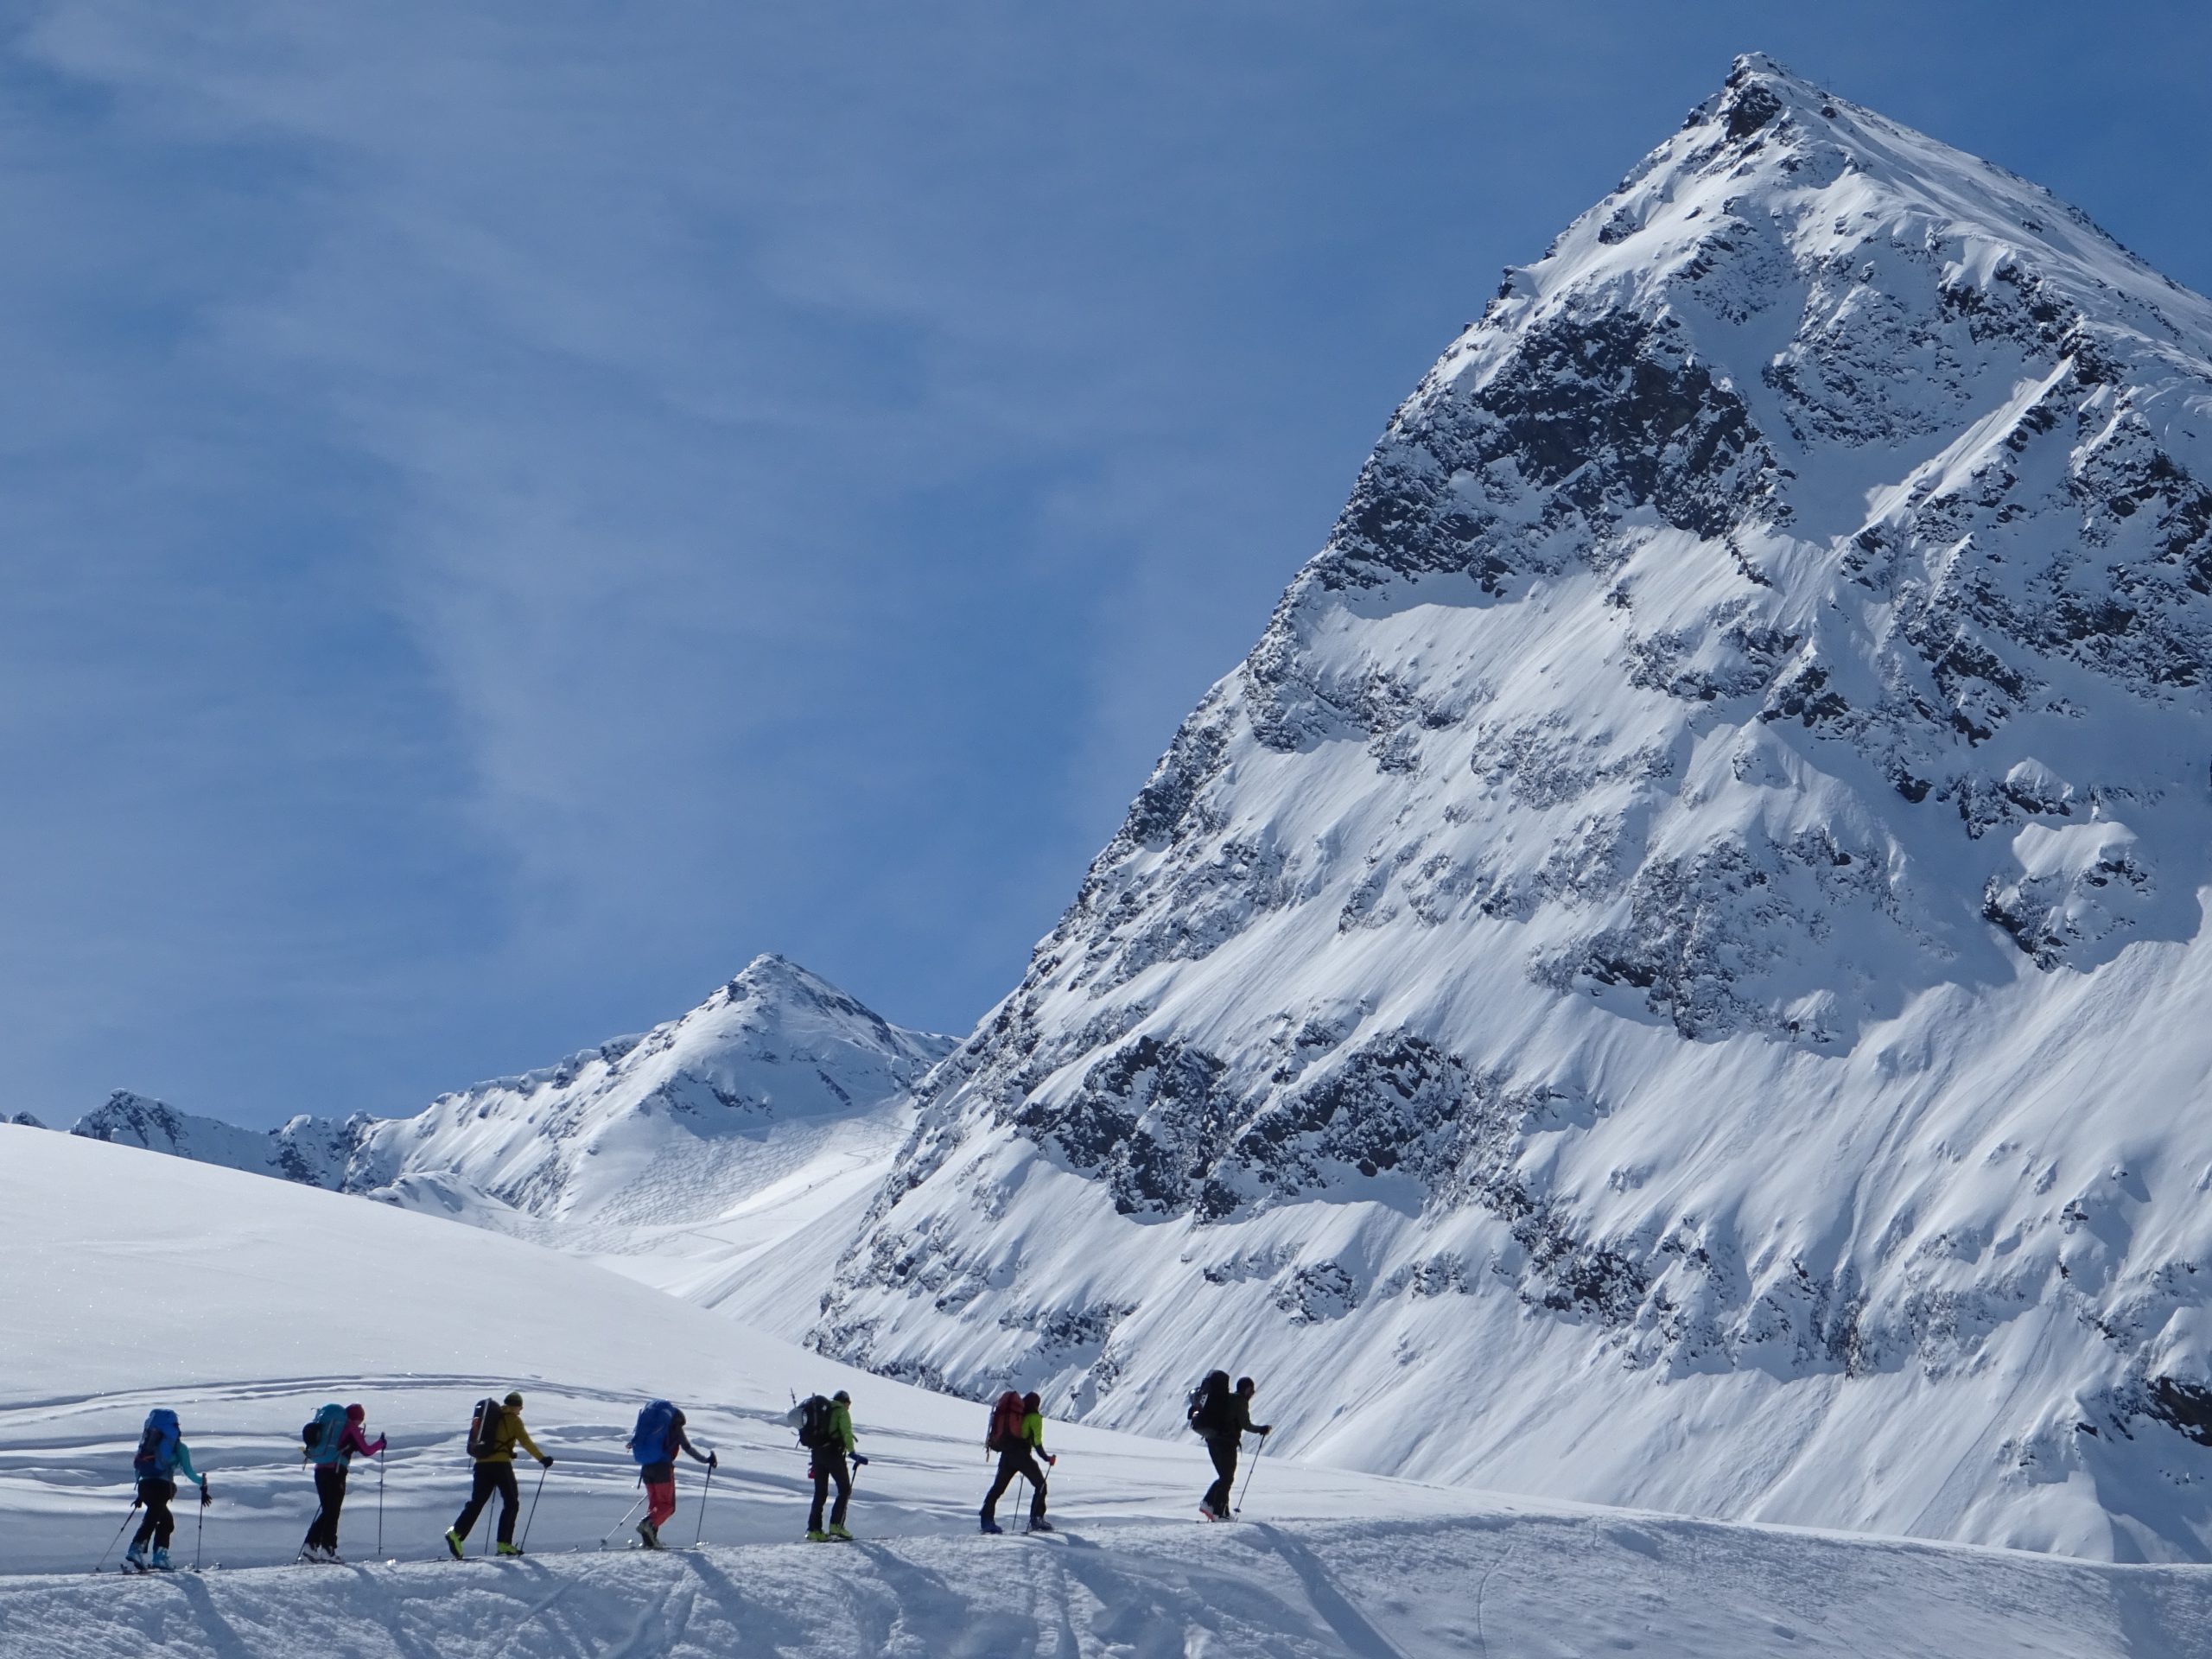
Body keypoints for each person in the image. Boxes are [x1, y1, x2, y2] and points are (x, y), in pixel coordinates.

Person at [446, 1391, 552, 1559]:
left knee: (477, 1502)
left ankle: (456, 1533)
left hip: (481, 1465)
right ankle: (504, 1544)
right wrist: (542, 1459)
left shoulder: (491, 1418)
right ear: (516, 1406)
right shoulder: (514, 1420)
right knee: (511, 1502)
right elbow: (526, 1442)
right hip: (500, 1466)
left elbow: (495, 1442)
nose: (520, 1411)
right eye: (520, 1407)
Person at [124, 1408, 208, 1572]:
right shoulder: (178, 1447)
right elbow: (189, 1472)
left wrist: (141, 1495)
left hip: (144, 1486)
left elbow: (139, 1469)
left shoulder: (147, 1445)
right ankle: (138, 1549)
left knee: (165, 1521)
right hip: (162, 1487)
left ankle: (158, 1556)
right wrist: (202, 1483)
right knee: (154, 1518)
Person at [302, 1403, 387, 1563]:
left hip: (320, 1470)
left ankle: (311, 1545)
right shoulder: (350, 1427)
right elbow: (366, 1450)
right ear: (357, 1418)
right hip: (335, 1472)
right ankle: (328, 1549)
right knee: (333, 1511)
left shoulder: (331, 1428)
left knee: (328, 1510)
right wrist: (380, 1444)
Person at [634, 1405, 715, 1549]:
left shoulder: (651, 1426)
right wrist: (706, 1460)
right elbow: (687, 1448)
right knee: (668, 1506)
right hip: (662, 1469)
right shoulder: (674, 1426)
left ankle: (650, 1539)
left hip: (646, 1468)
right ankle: (648, 1524)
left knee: (655, 1505)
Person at [981, 1389, 1055, 1535]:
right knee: (1040, 1486)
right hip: (1022, 1457)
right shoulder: (1034, 1418)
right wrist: (1047, 1459)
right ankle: (1036, 1519)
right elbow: (1037, 1443)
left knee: (997, 1489)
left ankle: (986, 1520)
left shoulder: (1017, 1417)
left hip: (1006, 1456)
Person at [1198, 1375, 1271, 1520]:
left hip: (1213, 1441)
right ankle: (1217, 1510)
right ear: (1246, 1389)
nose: (1252, 1394)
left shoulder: (1227, 1398)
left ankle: (1217, 1509)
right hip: (1226, 1444)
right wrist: (1261, 1429)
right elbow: (1246, 1424)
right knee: (1227, 1478)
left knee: (1225, 1478)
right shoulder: (1240, 1402)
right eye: (1251, 1390)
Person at [806, 1389, 858, 1541]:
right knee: (845, 1489)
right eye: (849, 1403)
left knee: (820, 1492)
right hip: (832, 1453)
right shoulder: (841, 1411)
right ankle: (836, 1525)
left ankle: (814, 1530)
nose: (849, 1406)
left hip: (817, 1454)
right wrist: (852, 1452)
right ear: (845, 1401)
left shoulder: (825, 1410)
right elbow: (846, 1432)